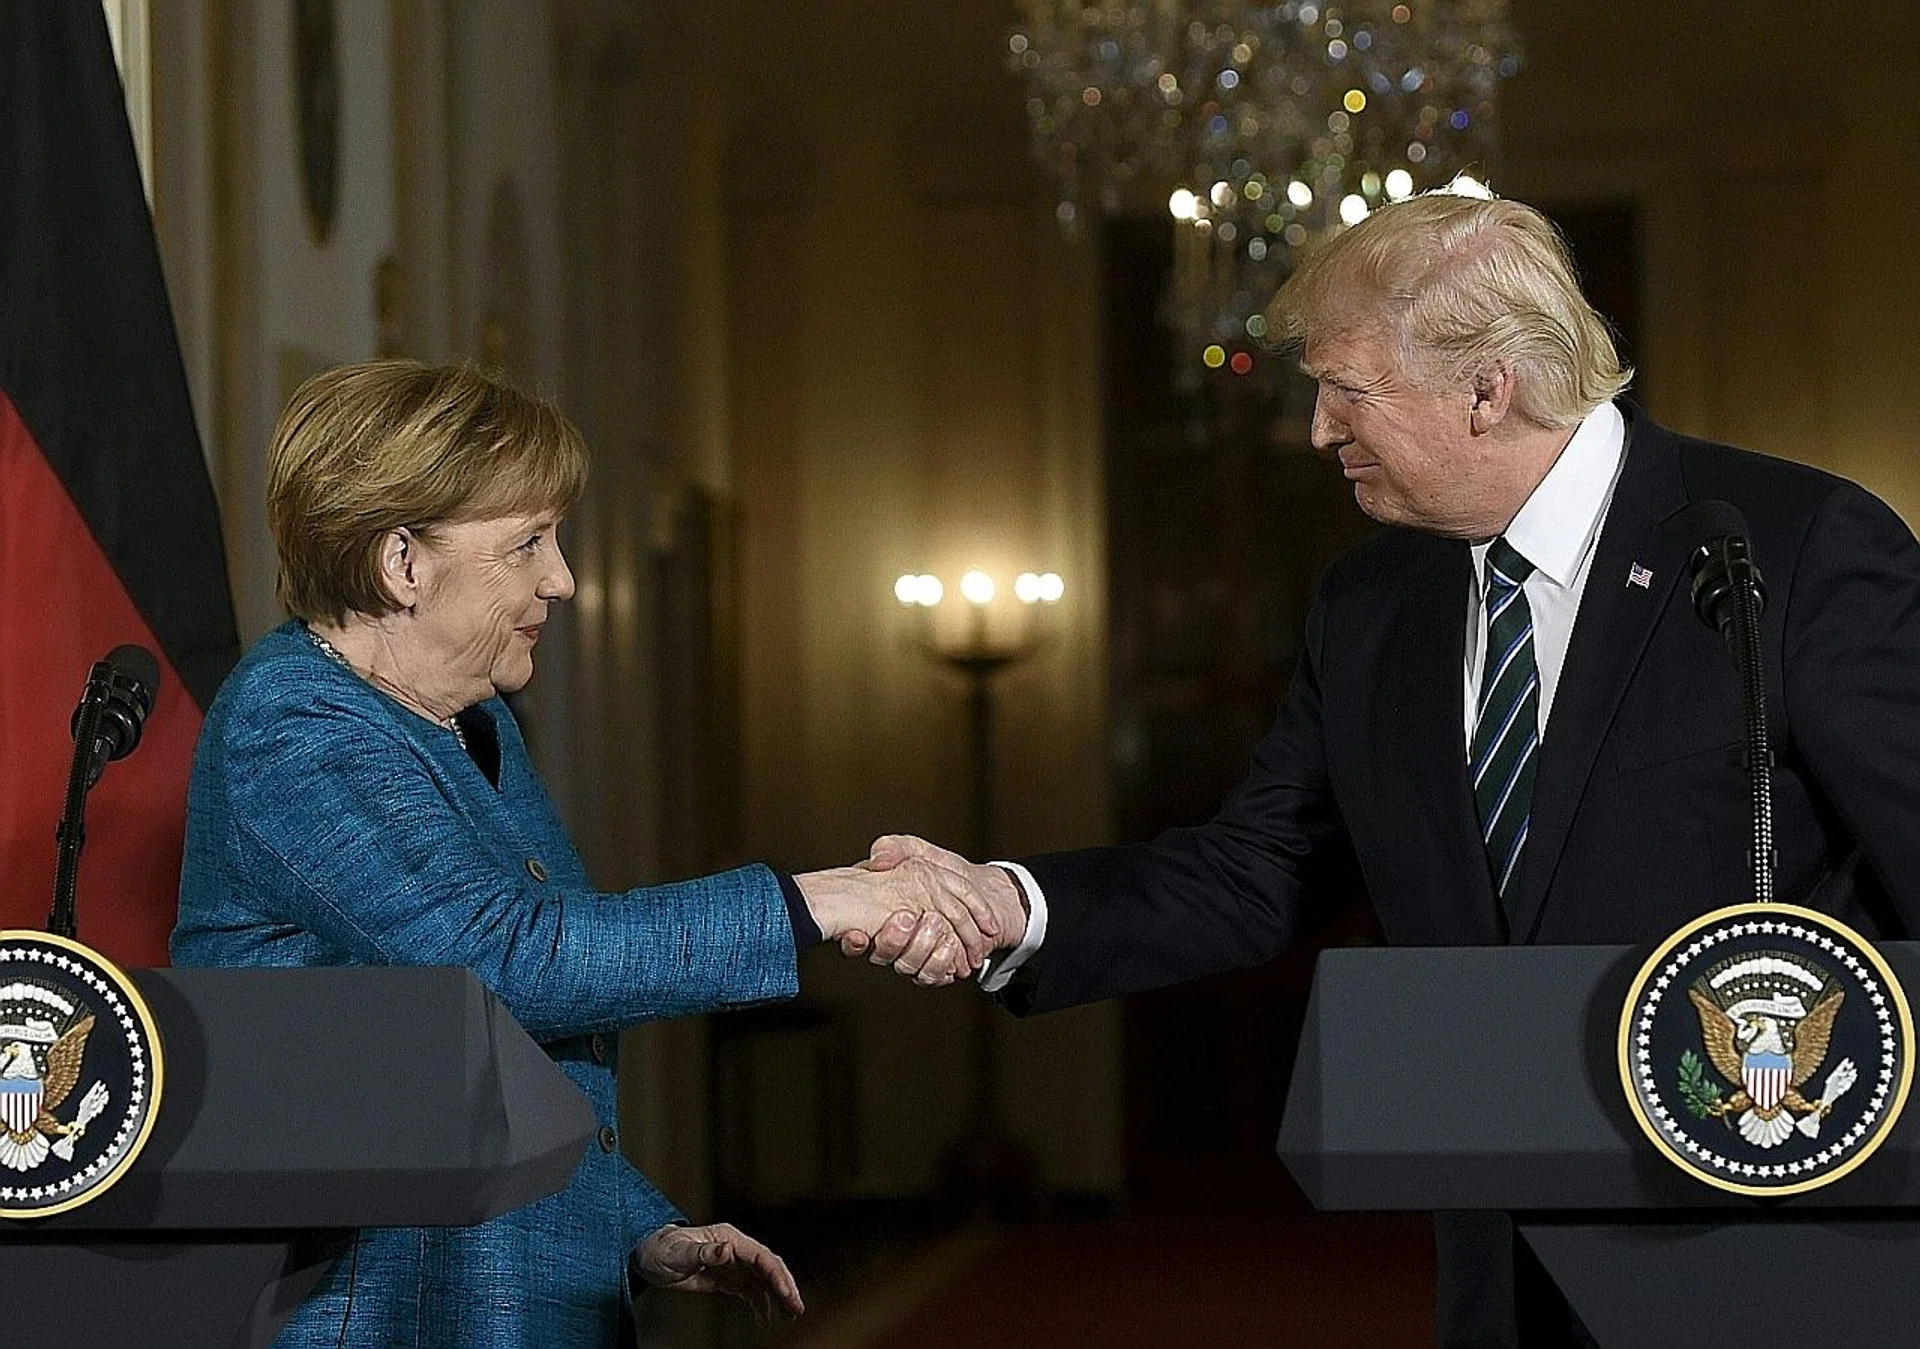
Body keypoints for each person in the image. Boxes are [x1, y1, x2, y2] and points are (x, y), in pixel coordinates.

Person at [850, 187, 1920, 1346]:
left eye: (1346, 388)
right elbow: (1256, 867)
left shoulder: (1790, 543)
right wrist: (1012, 904)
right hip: (1503, 1270)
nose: (1316, 428)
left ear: (1487, 386)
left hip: (1778, 1247)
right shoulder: (1370, 605)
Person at [171, 360, 994, 1347]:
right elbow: (514, 961)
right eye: (527, 542)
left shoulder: (474, 719)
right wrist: (819, 899)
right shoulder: (292, 722)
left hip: (512, 1297)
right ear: (402, 561)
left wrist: (639, 1226)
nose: (561, 577)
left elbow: (474, 1058)